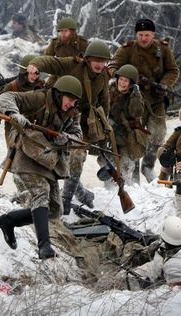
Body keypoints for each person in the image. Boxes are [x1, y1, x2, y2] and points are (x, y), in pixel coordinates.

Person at [0, 75, 83, 259]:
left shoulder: (73, 112)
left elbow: (78, 135)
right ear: (59, 94)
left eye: (75, 101)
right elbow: (5, 98)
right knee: (40, 194)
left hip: (48, 159)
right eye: (70, 100)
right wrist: (14, 114)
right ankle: (44, 247)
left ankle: (8, 221)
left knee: (54, 210)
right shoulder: (39, 98)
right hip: (27, 154)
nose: (72, 104)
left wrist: (66, 137)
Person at [26, 40, 112, 214]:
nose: (100, 64)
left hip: (84, 122)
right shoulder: (72, 65)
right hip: (60, 115)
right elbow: (50, 62)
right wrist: (35, 65)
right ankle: (77, 193)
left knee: (77, 158)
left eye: (104, 61)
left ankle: (65, 200)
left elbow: (104, 100)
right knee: (53, 157)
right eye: (97, 60)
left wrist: (105, 126)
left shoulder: (103, 75)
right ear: (88, 59)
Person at [108, 18, 180, 184]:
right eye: (140, 35)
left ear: (153, 34)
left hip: (156, 99)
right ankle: (132, 176)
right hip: (133, 102)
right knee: (135, 136)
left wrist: (163, 84)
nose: (143, 38)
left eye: (147, 35)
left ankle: (147, 166)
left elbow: (173, 70)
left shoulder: (163, 50)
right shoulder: (127, 50)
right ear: (136, 34)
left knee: (158, 134)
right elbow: (112, 67)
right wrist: (126, 78)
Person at [0, 55, 45, 148]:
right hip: (14, 128)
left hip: (35, 128)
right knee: (14, 154)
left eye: (37, 73)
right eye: (32, 72)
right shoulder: (12, 87)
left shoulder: (41, 86)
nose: (35, 75)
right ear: (24, 72)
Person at [131, 216, 181, 289]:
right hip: (161, 260)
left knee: (126, 278)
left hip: (157, 268)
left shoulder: (173, 267)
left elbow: (175, 291)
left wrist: (149, 285)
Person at [108, 64, 148, 185]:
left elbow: (136, 112)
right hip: (110, 132)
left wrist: (135, 95)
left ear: (131, 83)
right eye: (120, 79)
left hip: (127, 135)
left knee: (126, 165)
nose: (122, 83)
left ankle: (126, 187)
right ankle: (109, 188)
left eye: (126, 81)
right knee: (106, 161)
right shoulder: (109, 90)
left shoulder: (135, 95)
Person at [44, 17, 89, 87]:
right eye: (61, 31)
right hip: (60, 72)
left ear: (72, 32)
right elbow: (46, 58)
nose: (63, 34)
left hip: (78, 73)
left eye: (66, 31)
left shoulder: (82, 43)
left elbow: (89, 60)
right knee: (47, 89)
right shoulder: (55, 42)